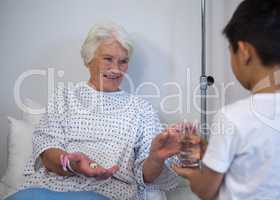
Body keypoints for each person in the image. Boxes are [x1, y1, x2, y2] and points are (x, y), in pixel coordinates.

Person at [5, 22, 180, 200]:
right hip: (45, 189)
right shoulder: (64, 97)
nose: (116, 69)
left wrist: (156, 158)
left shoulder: (142, 109)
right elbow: (47, 151)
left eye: (123, 61)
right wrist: (72, 164)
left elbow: (147, 176)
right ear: (89, 59)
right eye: (108, 59)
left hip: (105, 192)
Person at [172, 0, 280, 199]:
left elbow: (206, 190)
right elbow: (252, 163)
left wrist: (189, 172)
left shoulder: (233, 117)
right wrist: (209, 150)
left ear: (244, 52)